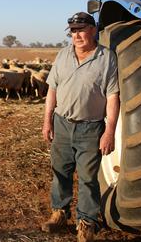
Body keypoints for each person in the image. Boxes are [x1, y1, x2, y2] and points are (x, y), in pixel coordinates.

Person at [40, 12, 120, 242]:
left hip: (90, 128)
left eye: (81, 29)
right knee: (60, 171)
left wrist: (109, 131)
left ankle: (86, 223)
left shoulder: (107, 58)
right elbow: (52, 91)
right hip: (62, 124)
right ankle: (59, 213)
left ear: (93, 30)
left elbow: (113, 97)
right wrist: (47, 121)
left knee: (87, 177)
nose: (77, 35)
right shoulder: (63, 55)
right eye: (73, 31)